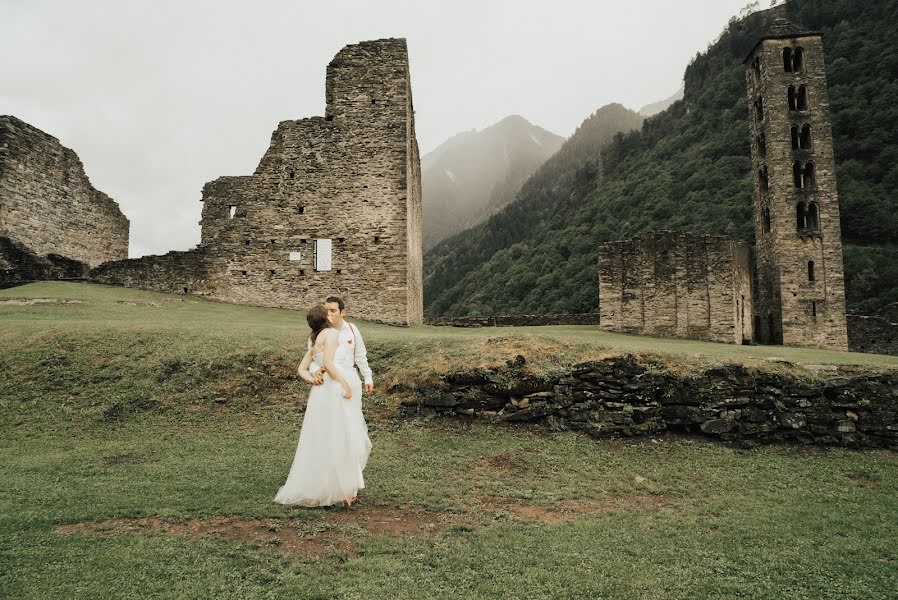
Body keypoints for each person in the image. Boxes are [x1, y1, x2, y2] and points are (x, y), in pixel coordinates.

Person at [273, 304, 371, 507]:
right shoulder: (332, 334)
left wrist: (313, 379)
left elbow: (301, 368)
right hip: (335, 390)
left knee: (323, 437)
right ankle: (346, 489)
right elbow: (329, 363)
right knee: (344, 436)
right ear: (326, 316)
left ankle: (331, 486)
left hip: (320, 393)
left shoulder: (314, 339)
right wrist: (343, 383)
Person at [309, 296, 374, 394]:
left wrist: (368, 377)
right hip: (327, 384)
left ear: (343, 312)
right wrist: (315, 370)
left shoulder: (352, 329)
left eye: (333, 311)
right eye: (326, 311)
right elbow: (312, 359)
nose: (329, 314)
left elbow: (360, 355)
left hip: (350, 381)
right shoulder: (317, 333)